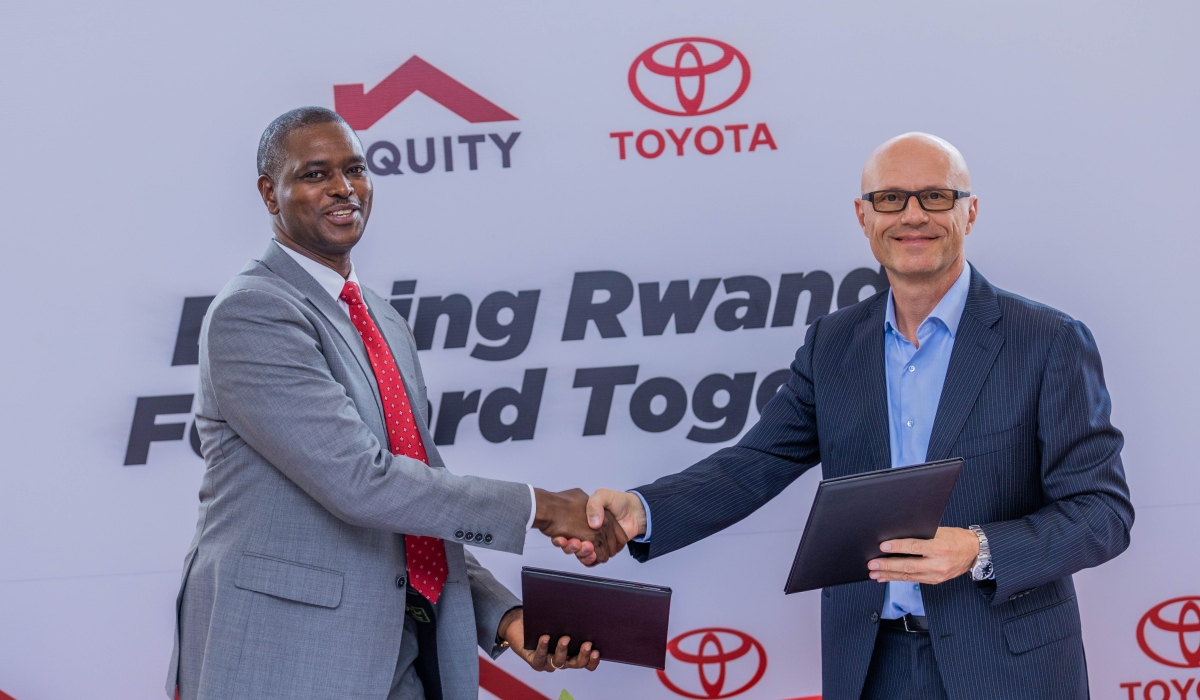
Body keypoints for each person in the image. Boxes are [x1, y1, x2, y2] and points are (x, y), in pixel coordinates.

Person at [558, 133, 1134, 700]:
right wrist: (643, 510)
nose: (913, 215)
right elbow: (755, 463)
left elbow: (1102, 512)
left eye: (936, 196)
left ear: (970, 211)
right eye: (891, 199)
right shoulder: (832, 345)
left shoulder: (1048, 341)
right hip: (869, 666)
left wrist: (977, 548)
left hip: (1010, 670)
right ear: (864, 217)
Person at [166, 107, 624, 700]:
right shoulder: (254, 311)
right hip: (288, 657)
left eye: (354, 169)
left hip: (404, 657)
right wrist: (540, 507)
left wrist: (505, 619)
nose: (343, 188)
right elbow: (361, 482)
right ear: (269, 193)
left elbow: (416, 504)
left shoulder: (382, 319)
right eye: (315, 174)